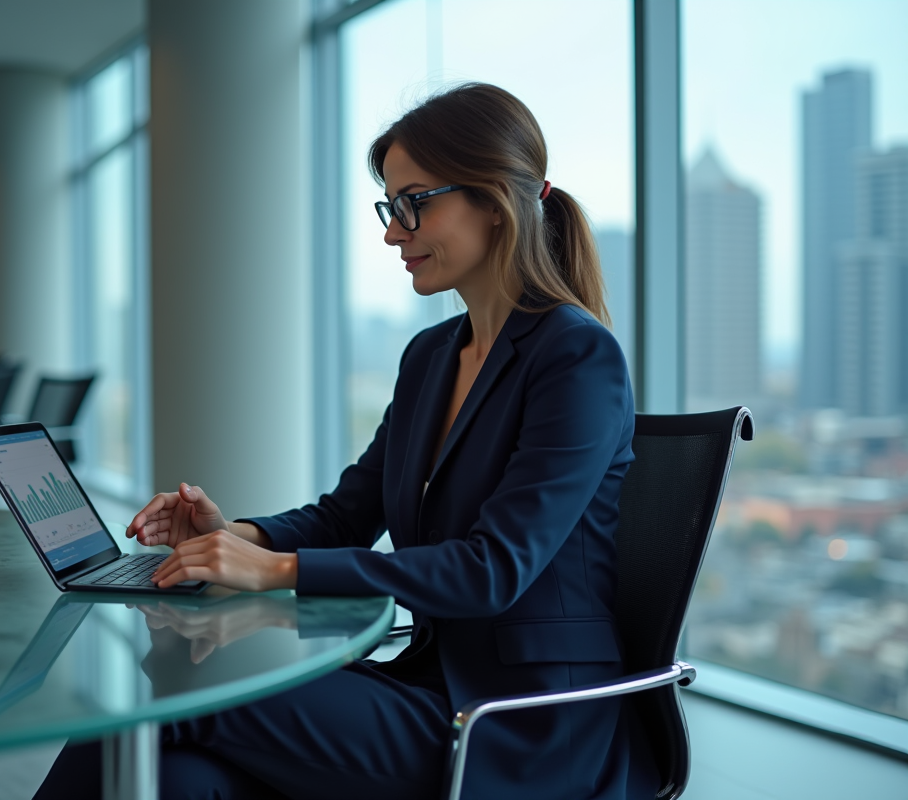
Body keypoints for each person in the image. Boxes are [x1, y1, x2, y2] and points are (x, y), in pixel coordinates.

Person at [34, 82, 658, 800]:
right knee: (179, 777)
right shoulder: (432, 359)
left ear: (491, 201)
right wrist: (234, 534)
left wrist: (274, 572)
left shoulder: (576, 358)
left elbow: (493, 570)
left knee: (167, 696)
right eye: (391, 208)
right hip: (426, 687)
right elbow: (345, 515)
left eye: (413, 203)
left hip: (523, 728)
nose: (394, 232)